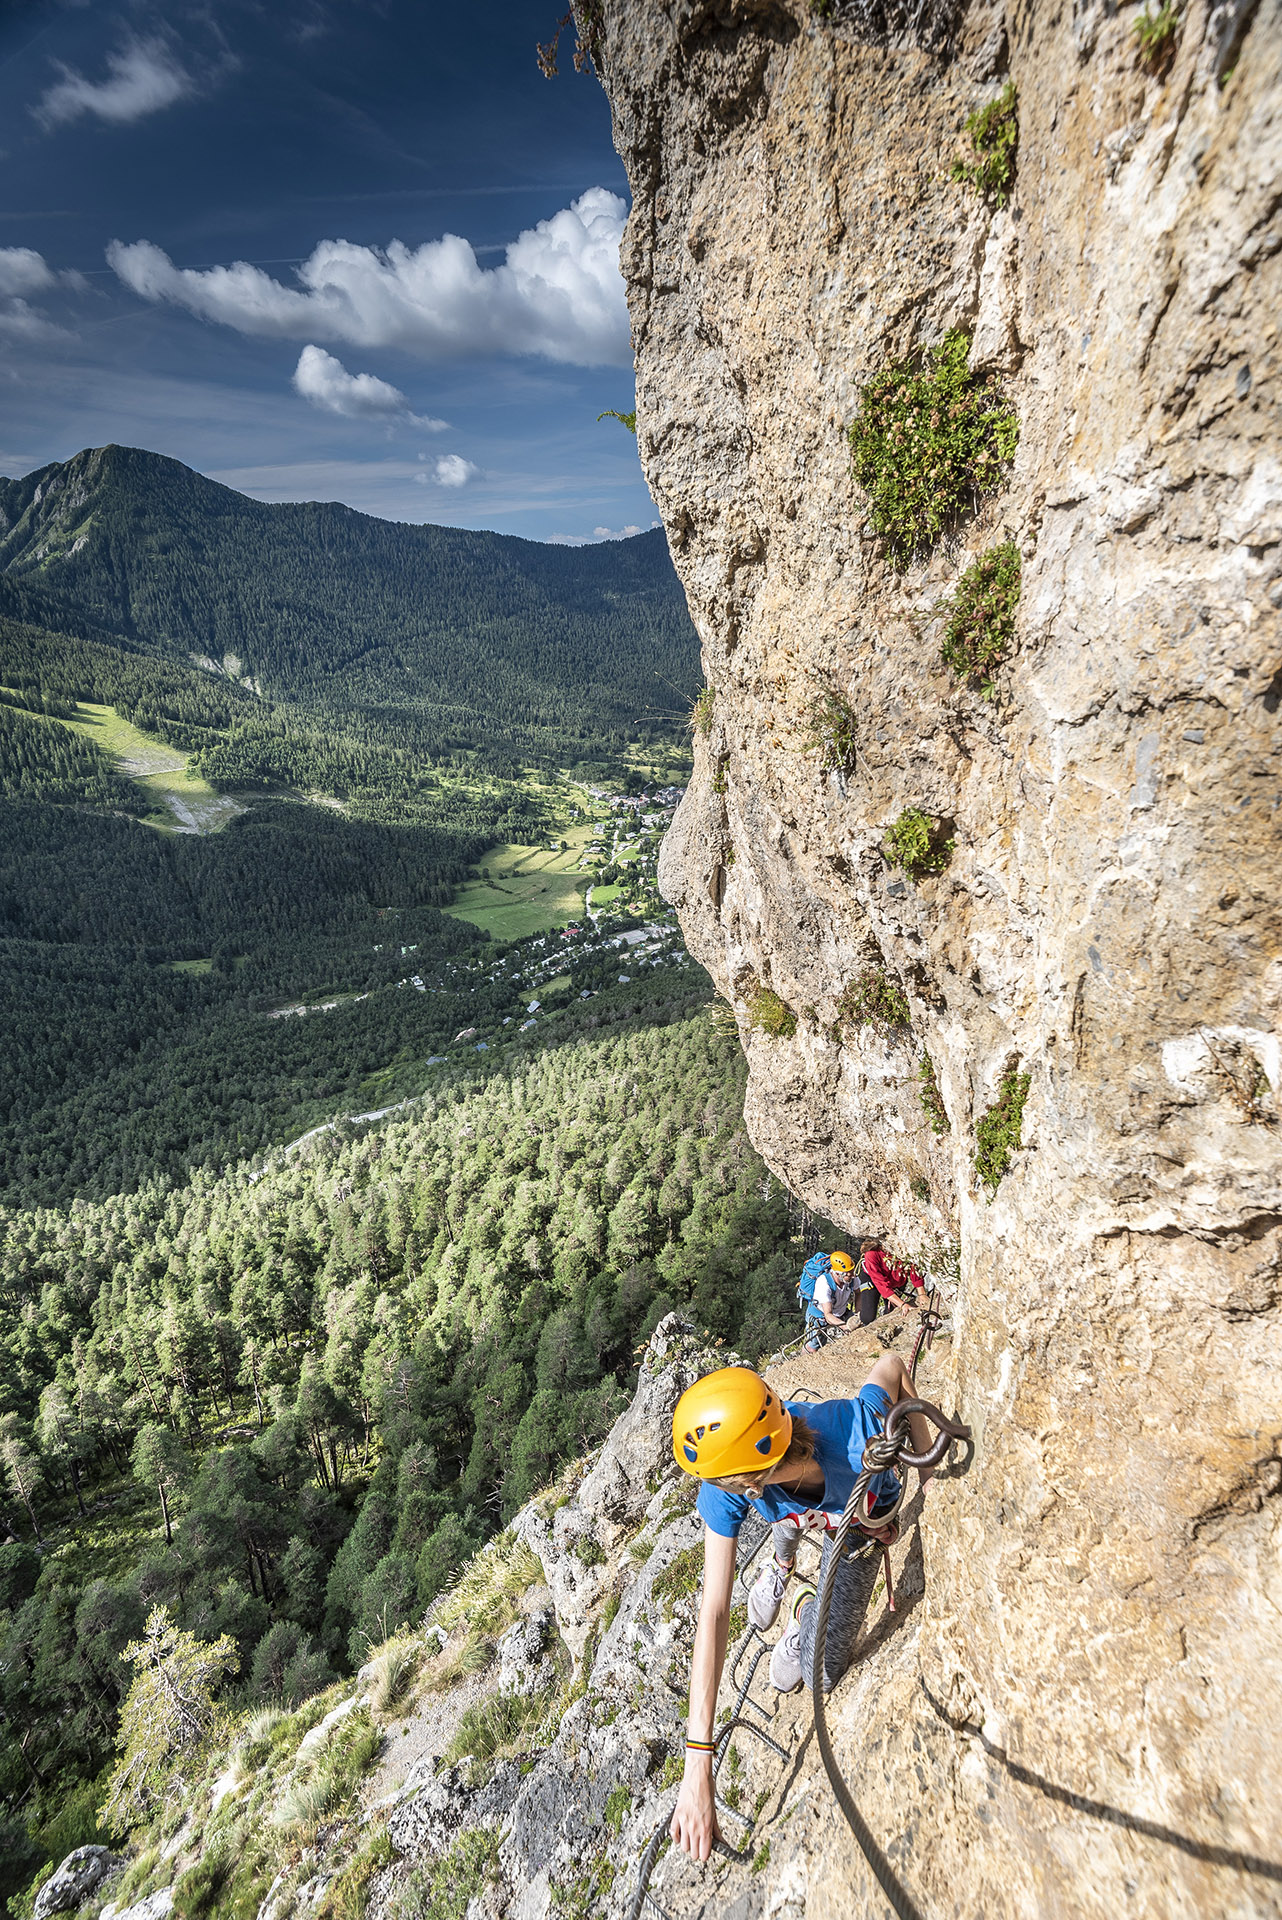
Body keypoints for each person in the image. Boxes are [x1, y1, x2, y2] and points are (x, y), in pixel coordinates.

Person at [667, 1357, 936, 1862]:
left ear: (743, 1481)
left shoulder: (854, 1433)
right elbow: (715, 1611)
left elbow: (892, 1367)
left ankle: (802, 1616)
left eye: (720, 1484)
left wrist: (927, 1474)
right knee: (785, 1517)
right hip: (793, 1501)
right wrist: (697, 1763)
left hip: (857, 1518)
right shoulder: (746, 1477)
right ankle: (783, 1563)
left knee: (821, 1672)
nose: (710, 1492)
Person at [856, 1238, 925, 1326]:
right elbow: (881, 1284)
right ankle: (857, 1319)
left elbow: (913, 1268)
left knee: (892, 1311)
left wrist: (922, 1294)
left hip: (896, 1279)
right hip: (872, 1279)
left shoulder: (903, 1249)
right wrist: (902, 1304)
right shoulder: (872, 1254)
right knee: (868, 1317)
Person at [804, 1247, 855, 1349]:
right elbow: (828, 1315)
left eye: (852, 1272)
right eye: (848, 1275)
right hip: (820, 1316)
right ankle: (803, 1362)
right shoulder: (824, 1284)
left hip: (840, 1311)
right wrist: (845, 1326)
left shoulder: (850, 1277)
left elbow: (858, 1292)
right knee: (814, 1345)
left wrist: (858, 1313)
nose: (853, 1276)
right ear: (837, 1273)